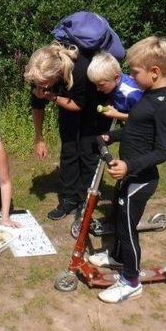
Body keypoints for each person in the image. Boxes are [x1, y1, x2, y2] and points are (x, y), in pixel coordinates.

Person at [88, 36, 166, 304]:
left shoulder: (164, 104)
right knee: (118, 220)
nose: (132, 76)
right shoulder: (148, 97)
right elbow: (135, 131)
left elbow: (162, 151)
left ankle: (131, 282)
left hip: (141, 179)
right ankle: (116, 257)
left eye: (135, 72)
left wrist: (129, 165)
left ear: (154, 72)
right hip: (128, 176)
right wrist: (111, 137)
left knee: (128, 230)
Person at [23, 41, 112, 220]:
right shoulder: (38, 75)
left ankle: (86, 200)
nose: (40, 87)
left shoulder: (80, 69)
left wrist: (52, 97)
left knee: (88, 153)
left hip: (93, 108)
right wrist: (39, 138)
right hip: (66, 105)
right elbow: (37, 106)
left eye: (44, 84)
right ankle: (69, 199)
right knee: (69, 151)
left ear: (56, 74)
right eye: (37, 84)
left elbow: (79, 105)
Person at [86, 51, 143, 122]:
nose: (98, 89)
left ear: (116, 78)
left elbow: (143, 118)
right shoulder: (113, 83)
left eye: (101, 85)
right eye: (95, 84)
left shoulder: (132, 94)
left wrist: (118, 115)